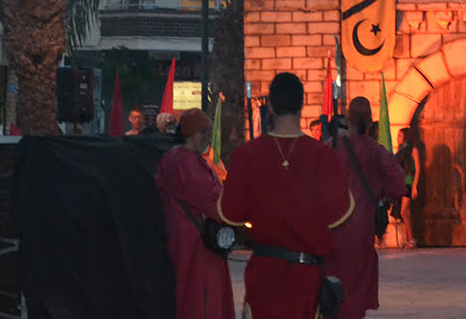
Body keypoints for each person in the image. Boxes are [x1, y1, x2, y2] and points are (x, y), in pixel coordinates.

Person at [219, 73, 354, 319]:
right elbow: (340, 214)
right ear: (302, 104)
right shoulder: (324, 156)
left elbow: (230, 213)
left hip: (264, 275)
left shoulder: (247, 154)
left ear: (270, 105)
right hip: (306, 278)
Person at [326, 97, 407, 319]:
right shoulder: (375, 150)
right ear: (370, 122)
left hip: (334, 224)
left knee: (333, 279)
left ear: (347, 120)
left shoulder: (332, 147)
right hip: (362, 226)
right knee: (357, 283)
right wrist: (379, 190)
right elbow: (398, 183)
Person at [155, 109, 235, 319]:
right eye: (204, 132)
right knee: (200, 300)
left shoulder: (181, 159)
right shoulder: (184, 162)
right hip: (194, 245)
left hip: (188, 241)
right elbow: (212, 200)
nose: (207, 137)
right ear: (192, 133)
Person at [394, 127, 421, 248]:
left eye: (400, 136)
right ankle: (406, 239)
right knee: (404, 213)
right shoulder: (401, 150)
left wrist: (415, 186)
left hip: (409, 183)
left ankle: (412, 239)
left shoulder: (413, 150)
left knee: (403, 211)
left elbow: (418, 169)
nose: (397, 138)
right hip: (401, 183)